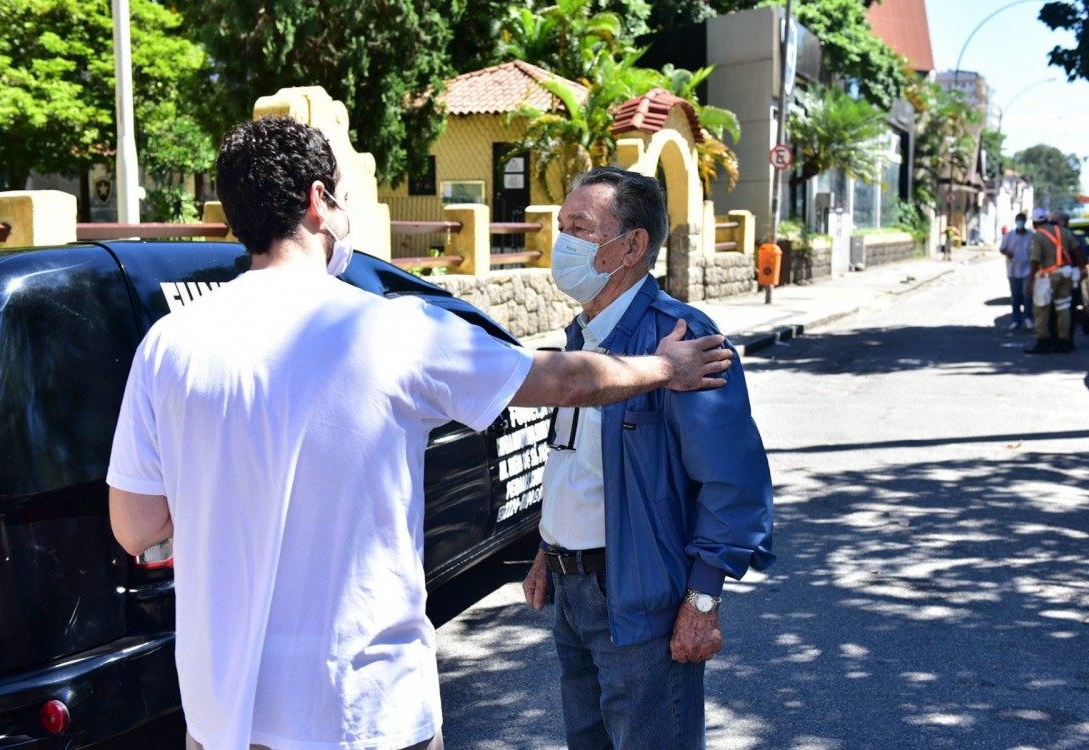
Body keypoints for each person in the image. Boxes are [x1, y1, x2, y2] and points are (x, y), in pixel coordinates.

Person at [105, 117, 733, 750]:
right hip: (365, 710)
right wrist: (664, 367)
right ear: (318, 202)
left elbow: (136, 526)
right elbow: (562, 383)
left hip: (224, 717)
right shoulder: (394, 331)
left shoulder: (168, 343)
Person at [520, 167, 775, 749]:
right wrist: (546, 549)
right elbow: (577, 465)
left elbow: (734, 483)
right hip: (572, 592)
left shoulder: (682, 339)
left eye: (579, 229)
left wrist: (703, 598)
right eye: (562, 227)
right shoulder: (580, 338)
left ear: (632, 245)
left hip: (638, 595)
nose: (562, 244)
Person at [1025, 207, 1075, 354]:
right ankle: (1064, 341)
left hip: (1047, 277)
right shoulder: (1063, 231)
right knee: (1063, 307)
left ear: (1034, 223)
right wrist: (1080, 269)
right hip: (1066, 274)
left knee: (1041, 309)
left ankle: (1043, 342)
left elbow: (1035, 260)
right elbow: (1077, 250)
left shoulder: (1038, 236)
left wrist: (1030, 283)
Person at [1049, 210, 1086, 341]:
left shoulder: (1071, 237)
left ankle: (1065, 340)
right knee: (1052, 310)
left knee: (1067, 309)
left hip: (1068, 277)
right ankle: (1055, 338)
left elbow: (1081, 257)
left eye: (1053, 222)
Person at [999, 212, 1034, 330]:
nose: (1020, 222)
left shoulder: (1031, 235)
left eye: (1022, 220)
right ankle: (1016, 319)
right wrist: (1007, 253)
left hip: (1027, 269)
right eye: (1018, 220)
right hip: (1013, 269)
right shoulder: (1009, 235)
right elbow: (1002, 249)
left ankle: (1028, 318)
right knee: (1015, 296)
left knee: (1027, 295)